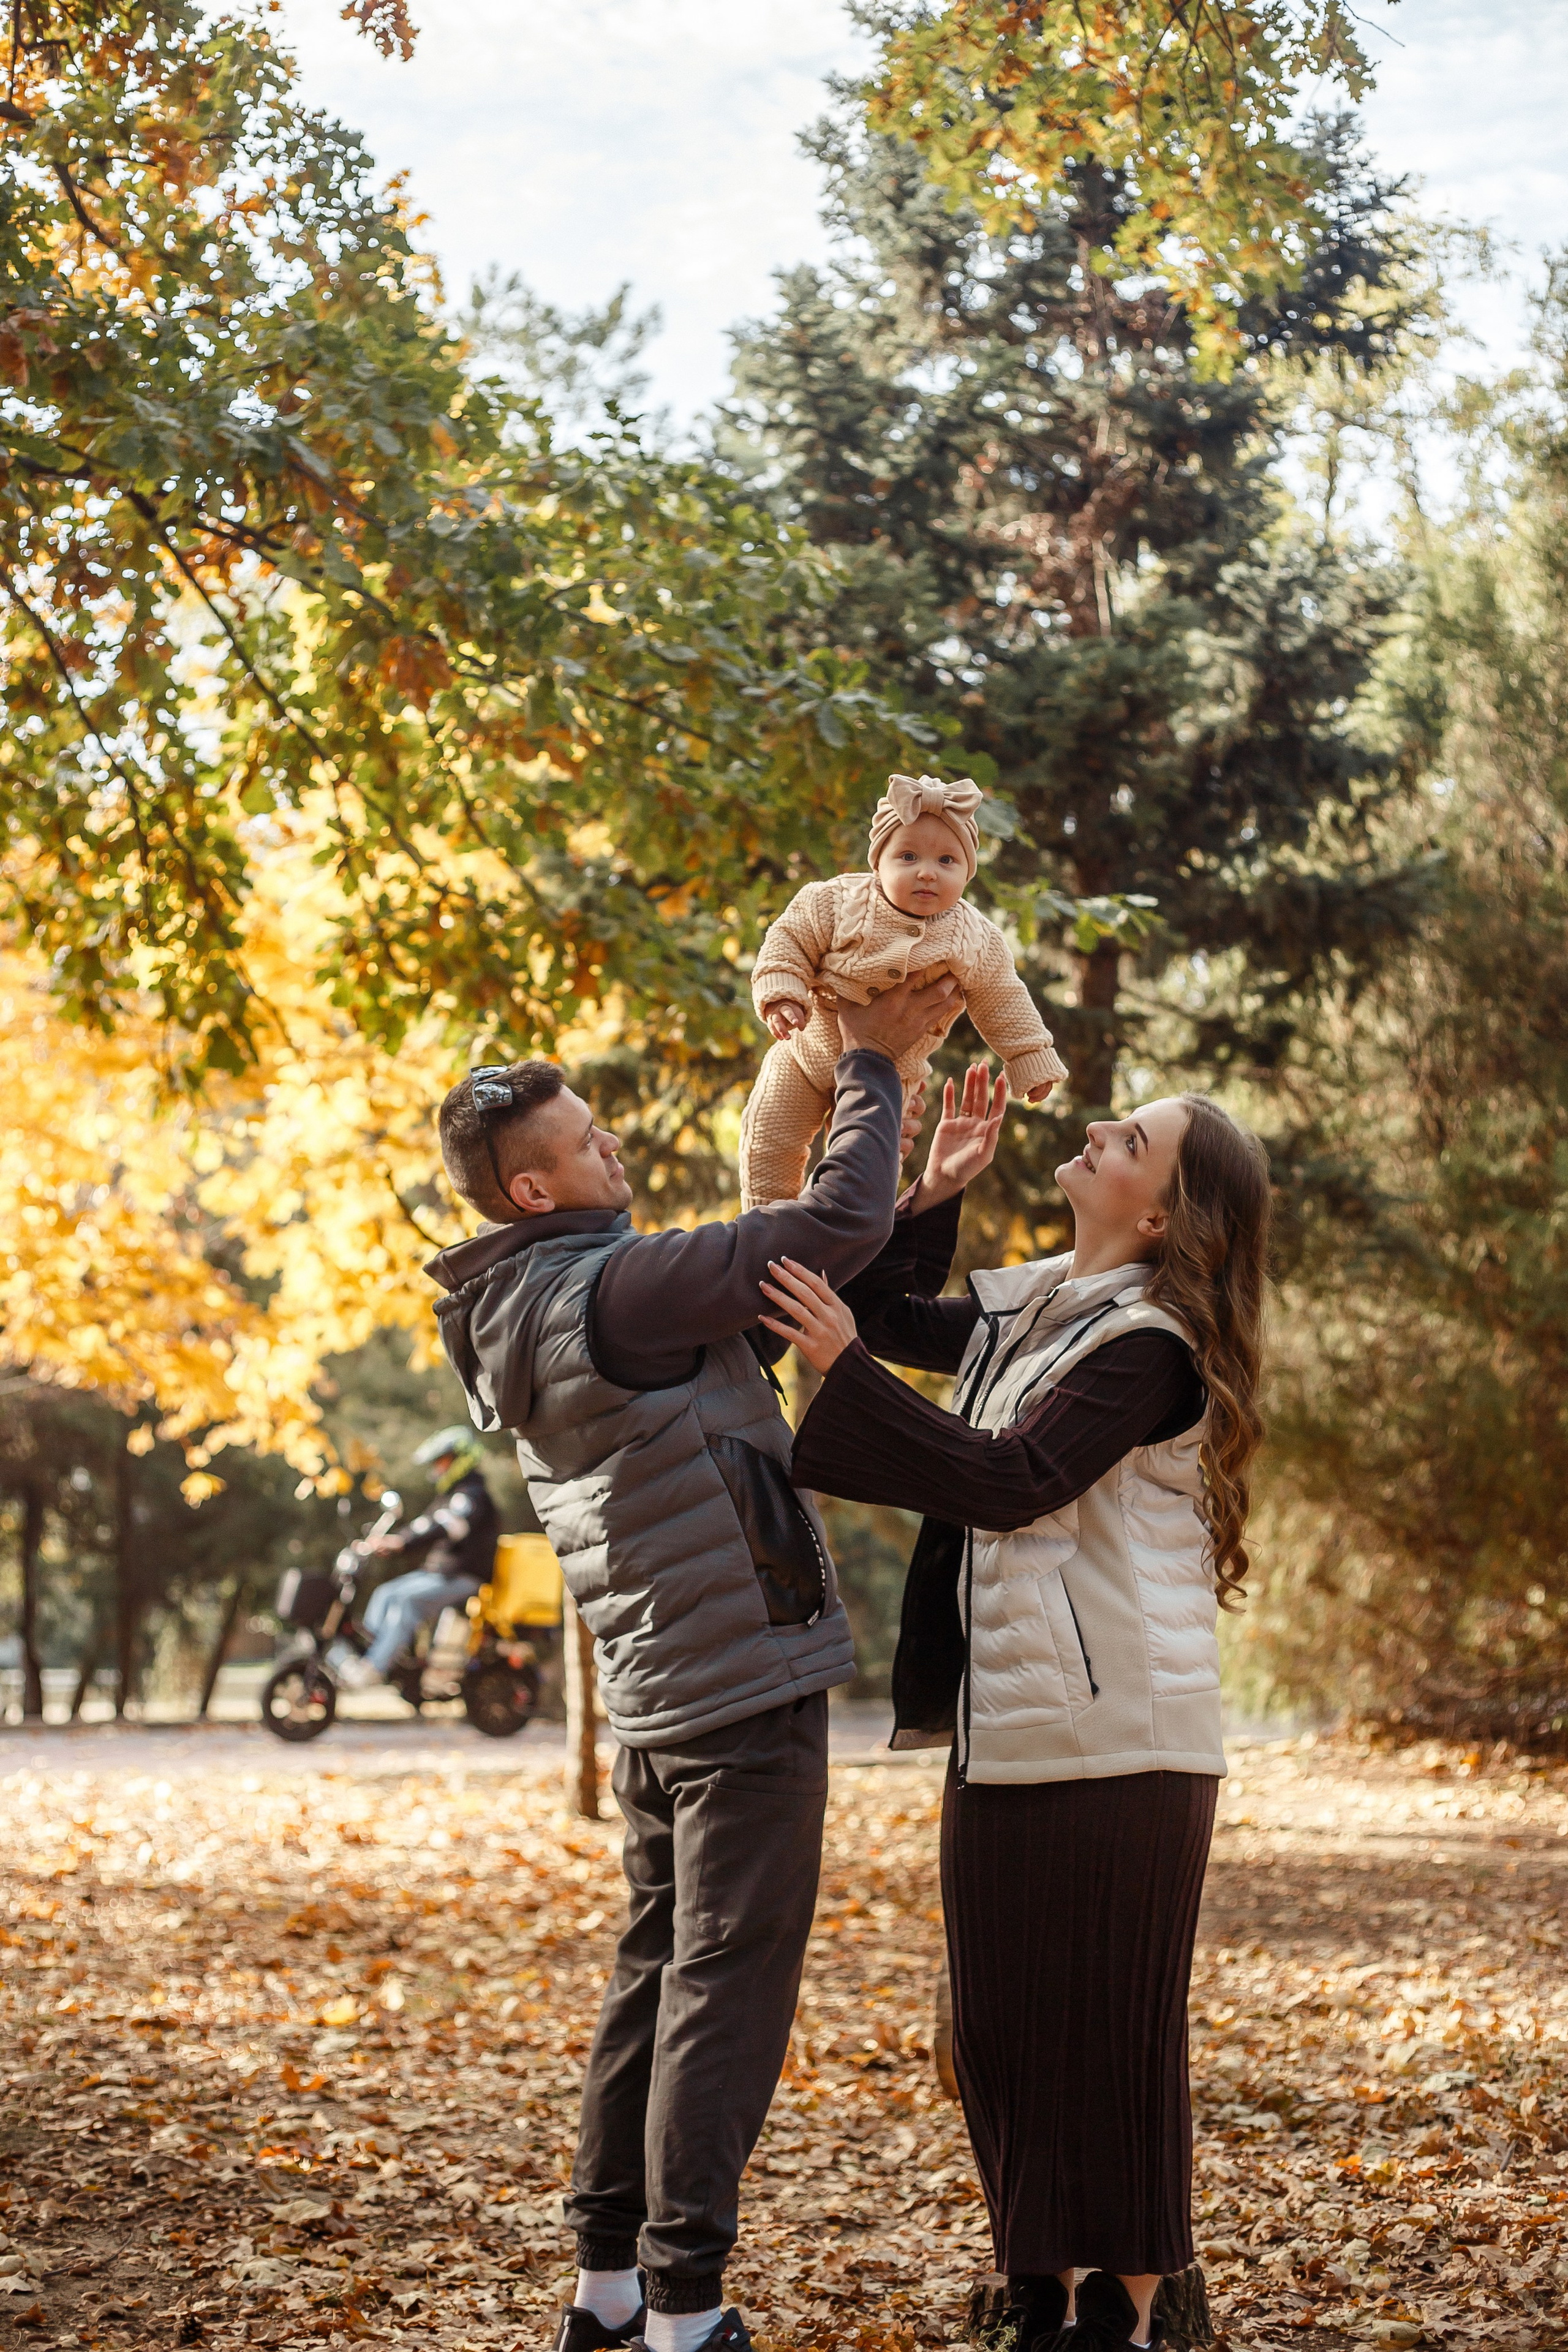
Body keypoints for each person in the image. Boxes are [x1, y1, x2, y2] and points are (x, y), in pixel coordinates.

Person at [422, 975, 959, 2352]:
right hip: (741, 1676)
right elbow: (827, 1221)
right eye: (585, 1143)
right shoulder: (626, 1280)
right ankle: (685, 2313)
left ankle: (605, 2296)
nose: (612, 1150)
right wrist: (876, 1068)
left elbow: (821, 1262)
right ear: (530, 1191)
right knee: (725, 1980)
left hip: (666, 1687)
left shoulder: (527, 1302)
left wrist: (913, 1202)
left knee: (657, 1967)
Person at [759, 1065, 1271, 2352]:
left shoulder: (1147, 1348)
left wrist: (836, 1372)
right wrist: (931, 1192)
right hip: (1009, 1735)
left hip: (1125, 1742)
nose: (1098, 1131)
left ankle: (1136, 2309)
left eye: (1131, 1138)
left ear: (1160, 1214)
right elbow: (878, 1309)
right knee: (993, 2029)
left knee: (1109, 2028)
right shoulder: (1042, 1304)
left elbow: (1013, 1477)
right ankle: (1036, 2288)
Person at [739, 772, 1066, 1207]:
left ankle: (835, 1248)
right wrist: (783, 992)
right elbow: (790, 938)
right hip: (804, 1054)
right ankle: (760, 1229)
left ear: (969, 872)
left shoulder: (976, 938)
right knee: (768, 1138)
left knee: (866, 1173)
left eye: (947, 861)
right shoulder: (836, 900)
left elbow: (1003, 997)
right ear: (878, 862)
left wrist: (1029, 1057)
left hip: (892, 1077)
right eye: (908, 856)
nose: (927, 873)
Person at [334, 1427, 500, 1691]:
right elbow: (423, 1526)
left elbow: (445, 1526)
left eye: (442, 1460)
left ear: (460, 1458)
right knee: (385, 1593)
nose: (438, 1468)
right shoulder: (450, 1496)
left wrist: (403, 1542)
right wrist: (392, 1542)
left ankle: (374, 1668)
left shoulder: (471, 1495)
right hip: (439, 1575)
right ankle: (378, 1653)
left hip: (463, 1578)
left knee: (406, 1602)